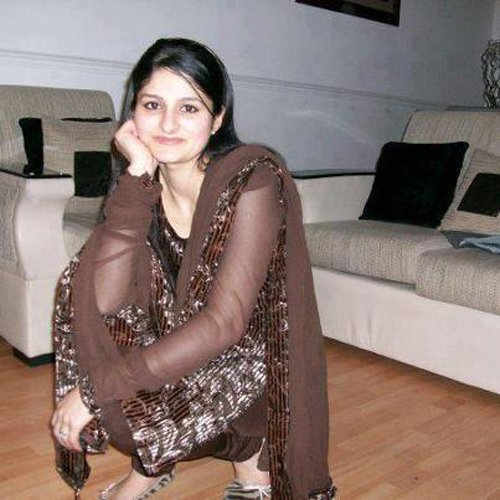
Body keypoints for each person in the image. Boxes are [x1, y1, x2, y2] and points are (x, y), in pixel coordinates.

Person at [51, 38, 335, 499]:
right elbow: (104, 300)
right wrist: (137, 176)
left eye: (188, 108)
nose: (167, 124)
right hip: (181, 342)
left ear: (217, 118)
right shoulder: (142, 183)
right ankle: (155, 462)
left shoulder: (252, 180)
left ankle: (250, 453)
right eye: (152, 105)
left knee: (117, 402)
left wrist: (92, 390)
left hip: (249, 359)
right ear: (133, 112)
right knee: (81, 296)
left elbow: (224, 324)